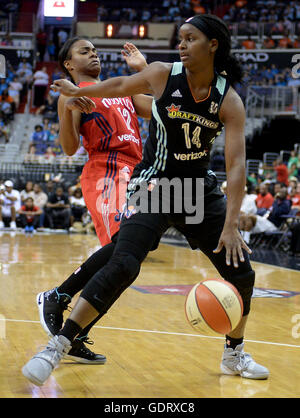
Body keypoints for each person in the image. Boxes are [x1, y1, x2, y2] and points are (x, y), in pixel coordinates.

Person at [23, 15, 269, 386]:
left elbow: (236, 167)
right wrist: (75, 92)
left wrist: (232, 224)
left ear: (213, 45)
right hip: (154, 183)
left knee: (242, 273)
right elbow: (121, 84)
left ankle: (234, 352)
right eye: (180, 39)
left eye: (190, 39)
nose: (181, 45)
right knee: (124, 261)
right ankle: (56, 346)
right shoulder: (162, 74)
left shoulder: (228, 99)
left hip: (197, 190)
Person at [33, 38, 152, 363]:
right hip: (106, 168)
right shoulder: (71, 92)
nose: (93, 54)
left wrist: (144, 70)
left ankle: (77, 332)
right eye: (84, 51)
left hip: (136, 171)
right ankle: (58, 296)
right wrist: (69, 110)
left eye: (95, 50)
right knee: (124, 246)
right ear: (69, 64)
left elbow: (162, 107)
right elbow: (70, 147)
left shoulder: (120, 89)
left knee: (130, 262)